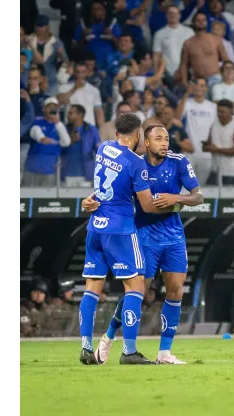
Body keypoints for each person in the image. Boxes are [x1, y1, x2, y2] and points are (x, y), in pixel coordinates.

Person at [84, 124, 204, 364]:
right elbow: (112, 191)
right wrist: (89, 199)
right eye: (158, 139)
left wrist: (177, 198)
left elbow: (198, 196)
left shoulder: (179, 162)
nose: (164, 143)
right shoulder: (135, 163)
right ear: (145, 142)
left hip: (173, 236)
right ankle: (108, 339)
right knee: (137, 291)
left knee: (176, 291)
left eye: (167, 138)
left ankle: (165, 353)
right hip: (143, 235)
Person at [77, 113, 171, 365]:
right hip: (119, 230)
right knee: (135, 286)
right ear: (138, 134)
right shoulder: (135, 162)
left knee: (92, 289)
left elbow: (104, 187)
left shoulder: (104, 148)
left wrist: (88, 199)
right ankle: (129, 351)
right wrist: (176, 203)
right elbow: (147, 206)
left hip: (96, 226)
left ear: (117, 131)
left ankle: (86, 348)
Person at [205, 100, 234, 185]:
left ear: (231, 111)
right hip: (215, 169)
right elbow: (207, 145)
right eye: (218, 111)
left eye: (222, 112)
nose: (219, 114)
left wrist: (216, 150)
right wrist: (207, 146)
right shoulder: (214, 124)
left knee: (228, 198)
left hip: (231, 172)